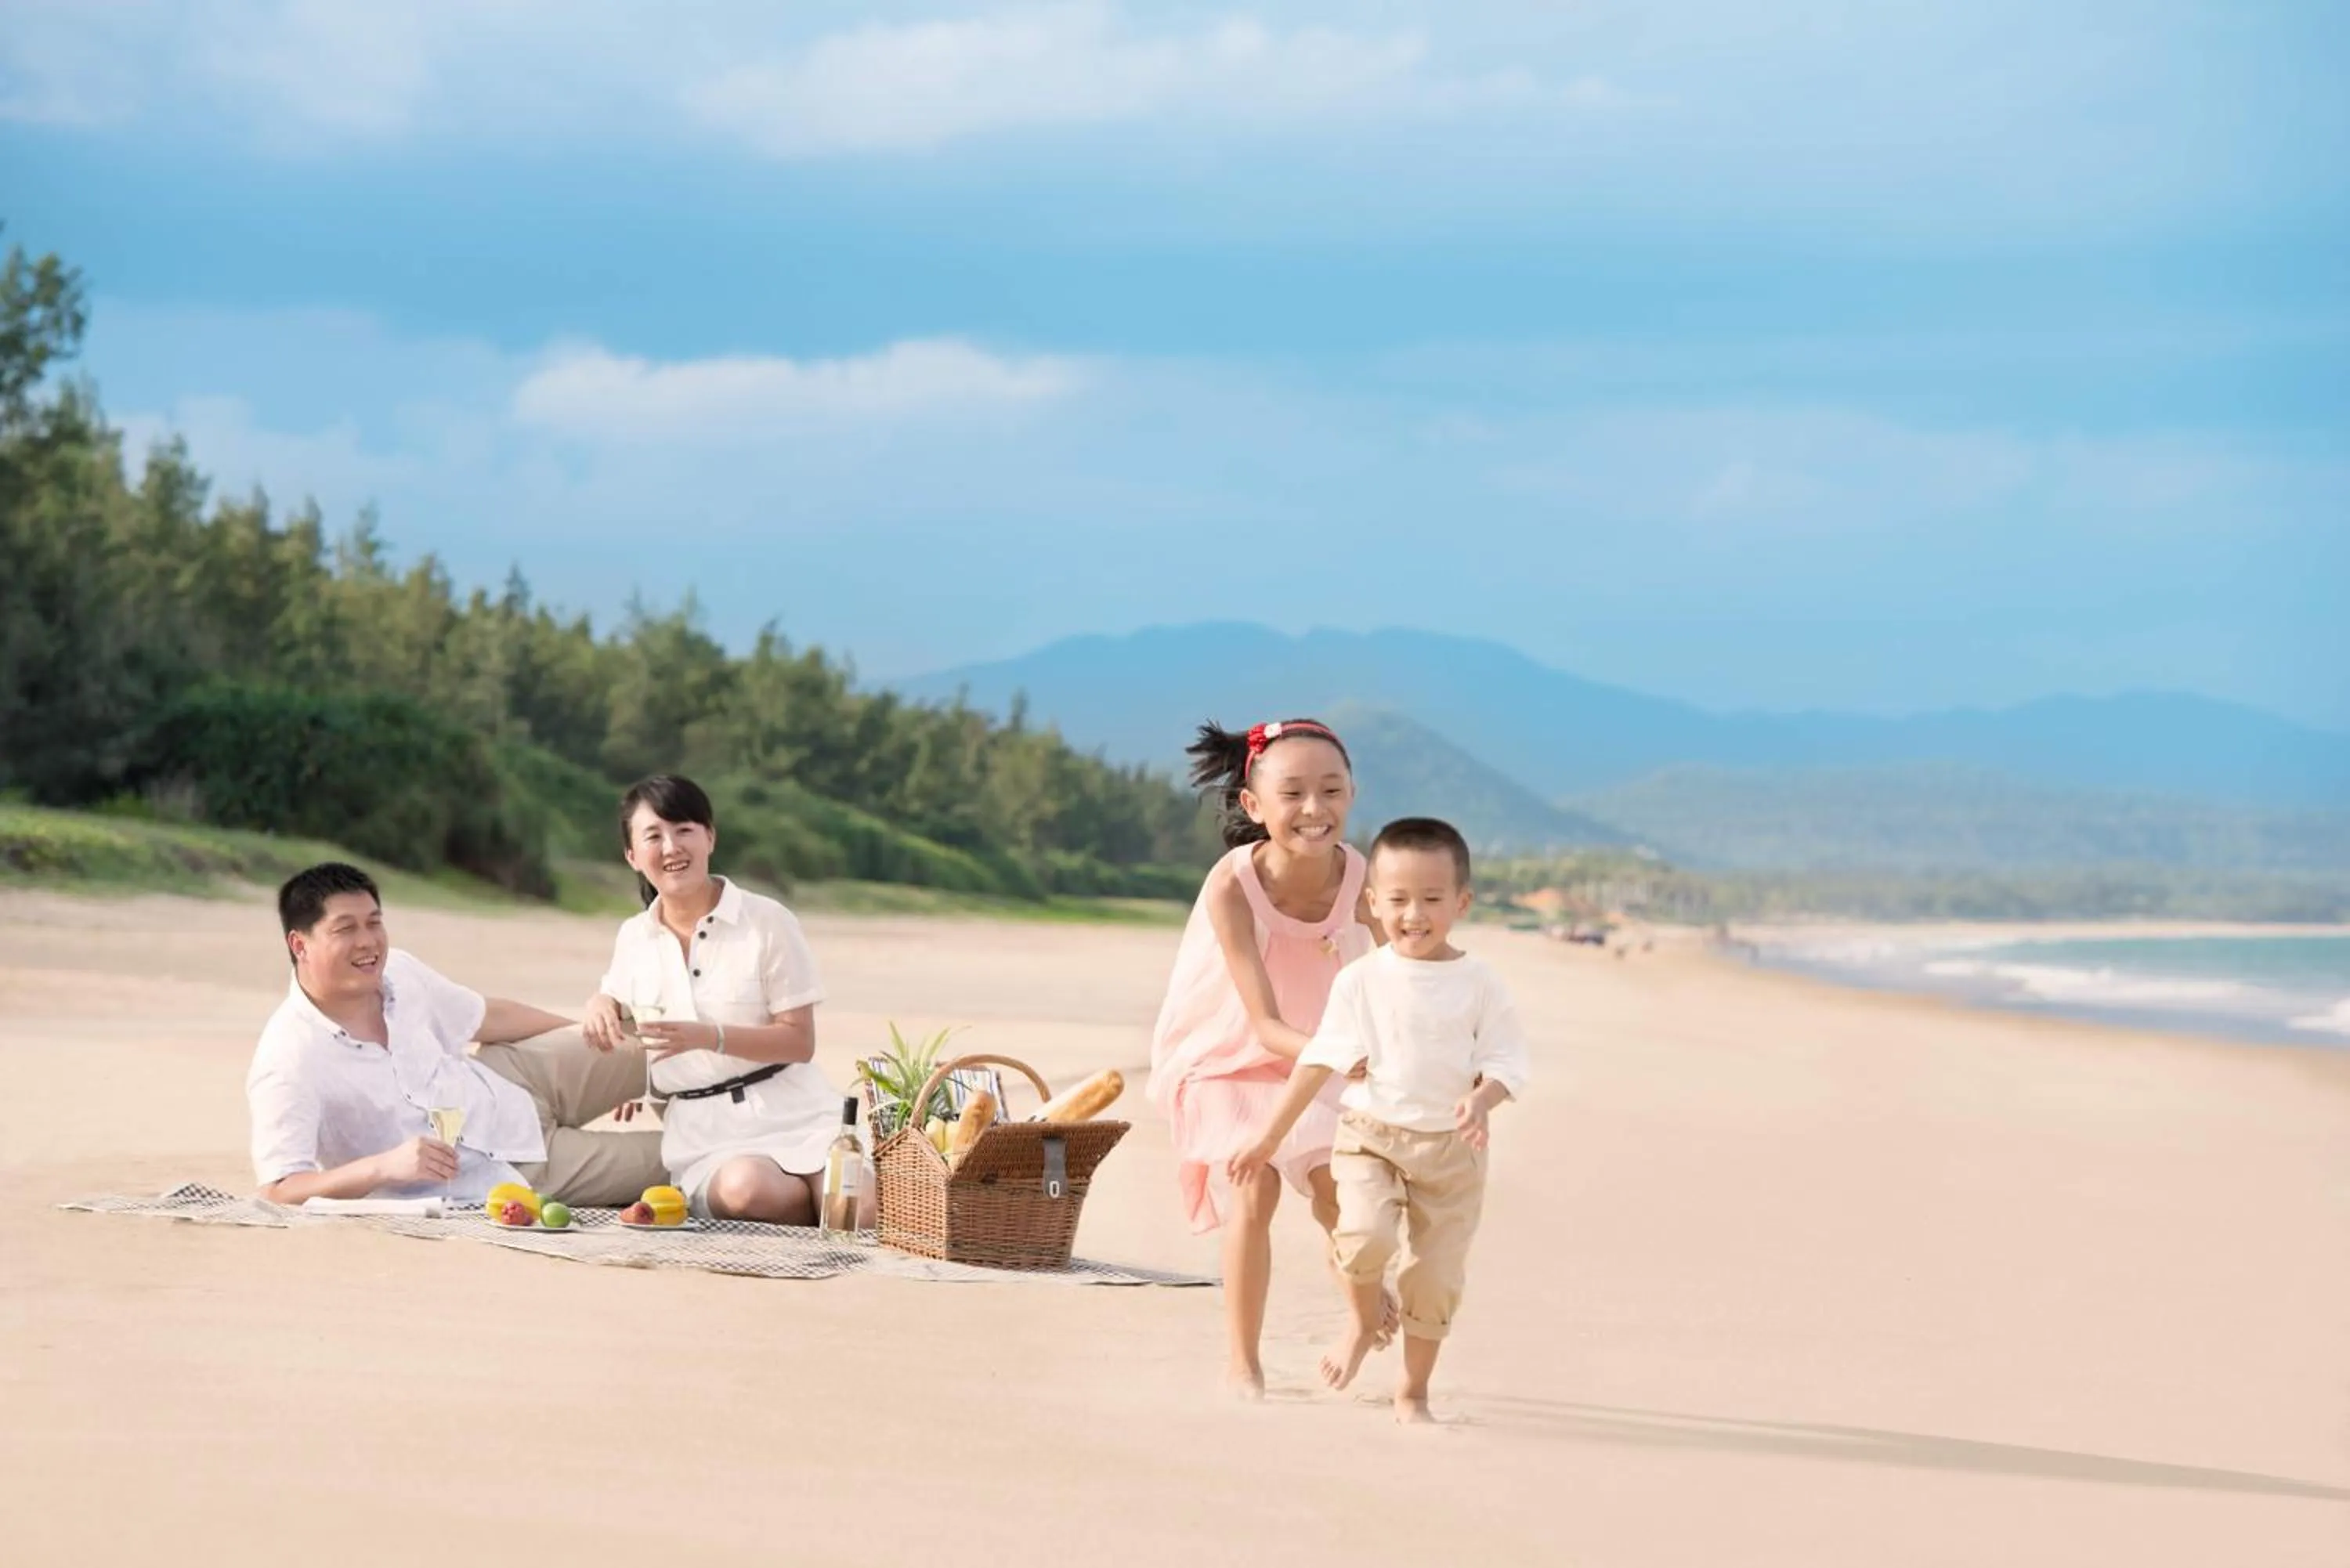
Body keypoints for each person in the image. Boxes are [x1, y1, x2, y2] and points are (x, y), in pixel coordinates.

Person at [1231, 817, 1531, 1425]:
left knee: (1433, 1279)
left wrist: (1482, 1100)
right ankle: (1365, 1321)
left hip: (1453, 1154)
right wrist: (1266, 1139)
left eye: (1431, 899)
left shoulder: (1480, 984)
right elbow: (1317, 1061)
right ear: (1372, 903)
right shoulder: (1360, 980)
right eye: (1396, 900)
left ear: (1461, 903)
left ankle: (1413, 1392)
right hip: (1371, 1139)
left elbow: (1507, 1060)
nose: (1412, 914)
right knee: (1362, 1239)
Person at [1145, 717, 1392, 1399]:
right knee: (1255, 1185)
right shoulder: (1233, 885)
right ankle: (1243, 1364)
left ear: (1352, 794)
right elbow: (1261, 1022)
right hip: (1231, 1054)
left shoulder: (1363, 877)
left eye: (1332, 791)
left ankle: (1365, 1310)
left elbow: (1405, 975)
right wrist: (1342, 1055)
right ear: (1254, 806)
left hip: (1322, 1055)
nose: (1315, 810)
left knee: (1336, 1194)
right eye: (1294, 794)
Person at [248, 862, 664, 1206]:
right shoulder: (288, 1058)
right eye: (346, 929)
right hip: (506, 1174)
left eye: (374, 923)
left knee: (650, 1039)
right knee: (681, 1160)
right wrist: (383, 1167)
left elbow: (490, 1017)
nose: (368, 942)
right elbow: (278, 1188)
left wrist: (597, 1045)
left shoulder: (401, 972)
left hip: (511, 1079)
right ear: (300, 945)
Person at [580, 775, 849, 1225]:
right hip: (710, 1135)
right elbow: (618, 995)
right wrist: (599, 1001)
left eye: (684, 829)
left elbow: (799, 1042)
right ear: (632, 855)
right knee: (748, 1193)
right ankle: (820, 1212)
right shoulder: (634, 937)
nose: (671, 847)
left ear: (710, 836)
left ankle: (831, 1208)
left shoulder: (766, 920)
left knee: (861, 1205)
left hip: (799, 1109)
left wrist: (710, 1037)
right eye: (653, 836)